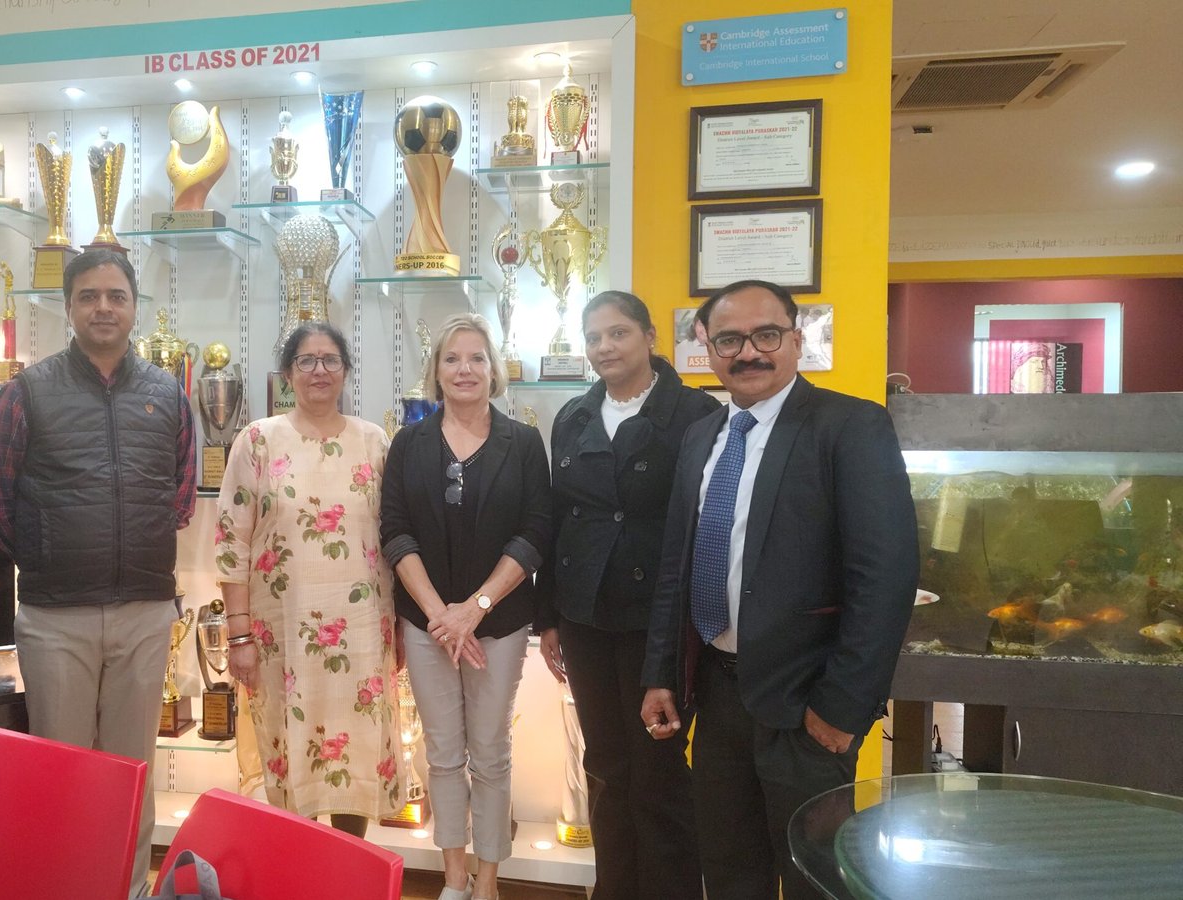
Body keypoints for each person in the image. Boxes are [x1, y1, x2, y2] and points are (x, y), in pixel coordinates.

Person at [640, 279, 919, 900]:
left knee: (815, 877)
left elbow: (886, 578)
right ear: (707, 347)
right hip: (717, 694)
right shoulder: (701, 436)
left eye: (766, 335)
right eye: (729, 340)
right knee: (729, 870)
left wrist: (843, 707)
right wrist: (661, 674)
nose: (748, 353)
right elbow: (676, 569)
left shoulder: (850, 426)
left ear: (797, 339)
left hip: (807, 705)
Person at [0, 248, 195, 900]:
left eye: (116, 295)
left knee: (132, 773)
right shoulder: (26, 393)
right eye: (89, 296)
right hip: (56, 617)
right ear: (68, 307)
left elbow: (180, 495)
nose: (104, 307)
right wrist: (49, 557)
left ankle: (127, 890)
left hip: (144, 611)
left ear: (134, 306)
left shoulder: (167, 393)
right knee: (61, 772)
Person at [533, 291, 716, 900]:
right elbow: (557, 519)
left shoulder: (695, 414)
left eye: (618, 333)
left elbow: (701, 525)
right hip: (585, 615)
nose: (604, 347)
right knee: (606, 767)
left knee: (658, 771)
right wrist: (548, 617)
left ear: (650, 338)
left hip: (660, 619)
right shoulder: (574, 416)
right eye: (594, 338)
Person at [380, 314, 551, 900]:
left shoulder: (523, 443)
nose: (464, 369)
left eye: (477, 358)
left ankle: (488, 882)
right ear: (436, 371)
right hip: (428, 624)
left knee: (491, 753)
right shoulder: (408, 444)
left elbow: (535, 533)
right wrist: (440, 615)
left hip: (498, 624)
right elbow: (395, 532)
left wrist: (474, 609)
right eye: (452, 358)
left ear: (494, 370)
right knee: (444, 755)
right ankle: (454, 878)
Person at [214, 322, 404, 837]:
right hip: (281, 637)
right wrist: (239, 636)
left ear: (345, 370)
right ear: (288, 373)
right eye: (306, 360)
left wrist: (403, 626)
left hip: (362, 636)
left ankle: (347, 869)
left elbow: (396, 538)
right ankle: (298, 870)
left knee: (356, 754)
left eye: (330, 360)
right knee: (289, 758)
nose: (319, 370)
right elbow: (231, 543)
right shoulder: (257, 441)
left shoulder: (374, 442)